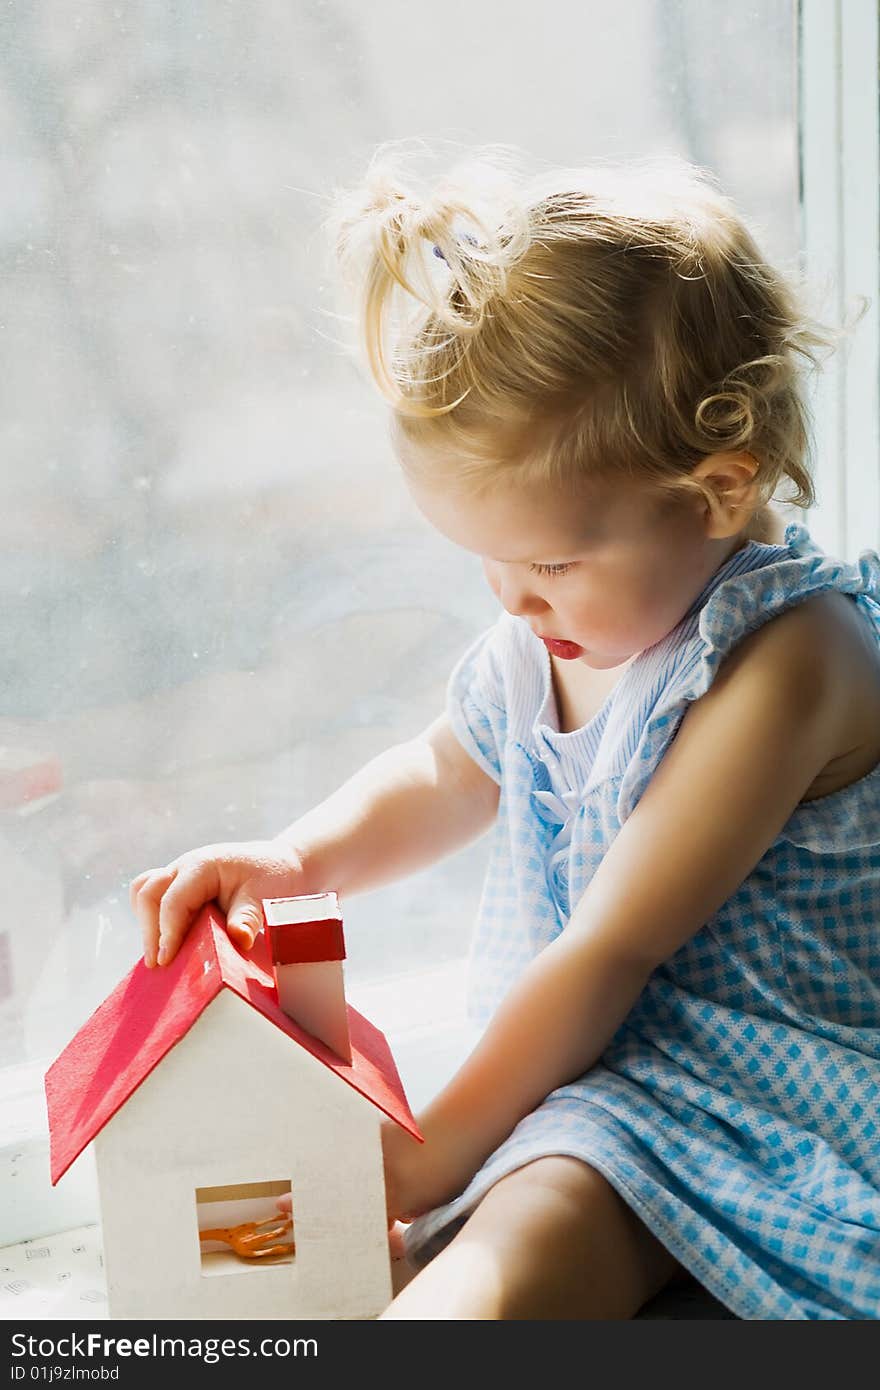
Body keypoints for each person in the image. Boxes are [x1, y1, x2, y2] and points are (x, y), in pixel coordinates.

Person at [131, 146, 880, 1320]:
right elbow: (446, 764)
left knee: (519, 1235)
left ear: (719, 492)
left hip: (767, 1098)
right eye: (483, 560)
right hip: (603, 1076)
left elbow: (607, 949)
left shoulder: (788, 662)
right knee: (486, 1235)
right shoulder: (560, 636)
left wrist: (430, 1154)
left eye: (548, 563)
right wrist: (300, 857)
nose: (511, 603)